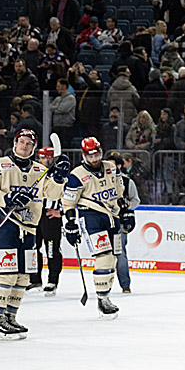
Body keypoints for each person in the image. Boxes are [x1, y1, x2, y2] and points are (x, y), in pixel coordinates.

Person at [0, 129, 70, 339]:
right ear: (15, 142)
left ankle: (10, 317)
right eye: (22, 141)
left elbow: (53, 194)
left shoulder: (40, 169)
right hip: (5, 223)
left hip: (29, 227)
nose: (25, 146)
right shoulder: (0, 164)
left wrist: (59, 177)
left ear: (34, 147)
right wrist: (8, 197)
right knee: (7, 274)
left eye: (29, 143)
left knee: (23, 277)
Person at [62, 137, 133, 319]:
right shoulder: (77, 175)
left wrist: (126, 210)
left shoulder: (111, 168)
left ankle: (105, 296)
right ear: (84, 155)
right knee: (103, 257)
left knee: (113, 258)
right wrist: (71, 224)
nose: (94, 159)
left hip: (112, 216)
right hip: (91, 216)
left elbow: (119, 192)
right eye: (90, 155)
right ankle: (102, 300)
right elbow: (68, 203)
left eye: (97, 154)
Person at [28, 146, 65, 296]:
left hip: (51, 217)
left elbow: (70, 195)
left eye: (45, 158)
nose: (42, 161)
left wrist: (61, 212)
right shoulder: (34, 173)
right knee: (33, 248)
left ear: (52, 158)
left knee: (52, 250)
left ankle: (52, 281)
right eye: (41, 158)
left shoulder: (60, 174)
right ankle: (35, 279)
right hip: (36, 216)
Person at [105, 151, 141, 294]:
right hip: (103, 221)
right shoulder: (100, 180)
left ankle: (125, 284)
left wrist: (126, 208)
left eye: (112, 165)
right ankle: (103, 283)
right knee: (104, 254)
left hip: (119, 223)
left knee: (120, 253)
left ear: (119, 166)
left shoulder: (127, 181)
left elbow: (135, 200)